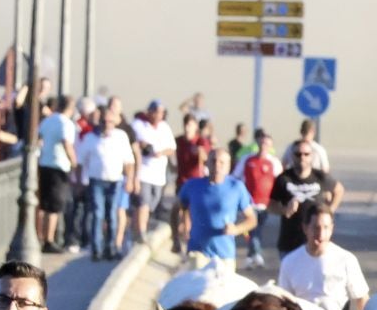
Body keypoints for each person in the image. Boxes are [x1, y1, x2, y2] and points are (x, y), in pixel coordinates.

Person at [177, 147, 258, 271]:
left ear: (228, 166)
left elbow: (252, 220)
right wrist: (180, 227)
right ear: (207, 163)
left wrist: (236, 229)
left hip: (224, 254)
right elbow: (178, 208)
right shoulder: (192, 185)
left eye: (222, 162)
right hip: (197, 253)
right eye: (213, 161)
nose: (217, 165)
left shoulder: (236, 187)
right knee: (197, 290)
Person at [75, 99, 136, 261]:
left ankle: (111, 247)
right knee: (98, 213)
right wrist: (80, 181)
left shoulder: (121, 137)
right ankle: (96, 248)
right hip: (96, 180)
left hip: (115, 181)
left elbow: (129, 161)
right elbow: (80, 161)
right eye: (104, 121)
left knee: (112, 214)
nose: (107, 124)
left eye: (110, 121)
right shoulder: (91, 138)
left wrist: (130, 179)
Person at [270, 145, 344, 260]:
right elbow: (270, 205)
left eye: (306, 154)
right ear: (292, 156)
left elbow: (339, 190)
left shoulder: (320, 177)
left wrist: (330, 211)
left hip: (317, 240)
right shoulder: (284, 178)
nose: (302, 157)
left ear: (312, 156)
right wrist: (285, 210)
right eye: (298, 154)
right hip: (290, 241)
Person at [231, 129, 280, 268]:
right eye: (262, 142)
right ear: (258, 142)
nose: (264, 145)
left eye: (267, 143)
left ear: (270, 146)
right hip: (249, 203)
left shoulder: (273, 162)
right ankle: (255, 255)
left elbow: (280, 181)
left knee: (257, 229)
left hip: (265, 203)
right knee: (253, 229)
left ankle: (252, 255)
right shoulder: (247, 159)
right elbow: (236, 176)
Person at [131, 100, 177, 247]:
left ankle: (137, 228)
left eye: (161, 112)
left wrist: (161, 152)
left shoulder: (164, 128)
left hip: (158, 174)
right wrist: (146, 147)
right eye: (156, 111)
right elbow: (138, 142)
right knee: (143, 202)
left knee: (152, 203)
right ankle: (141, 233)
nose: (158, 115)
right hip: (143, 172)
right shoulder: (139, 124)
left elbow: (172, 148)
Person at [36, 95, 77, 253]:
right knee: (54, 206)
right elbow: (67, 144)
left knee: (44, 205)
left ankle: (42, 236)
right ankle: (49, 239)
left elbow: (39, 138)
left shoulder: (48, 120)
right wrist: (74, 163)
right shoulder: (65, 123)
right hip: (59, 166)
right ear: (70, 108)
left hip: (45, 163)